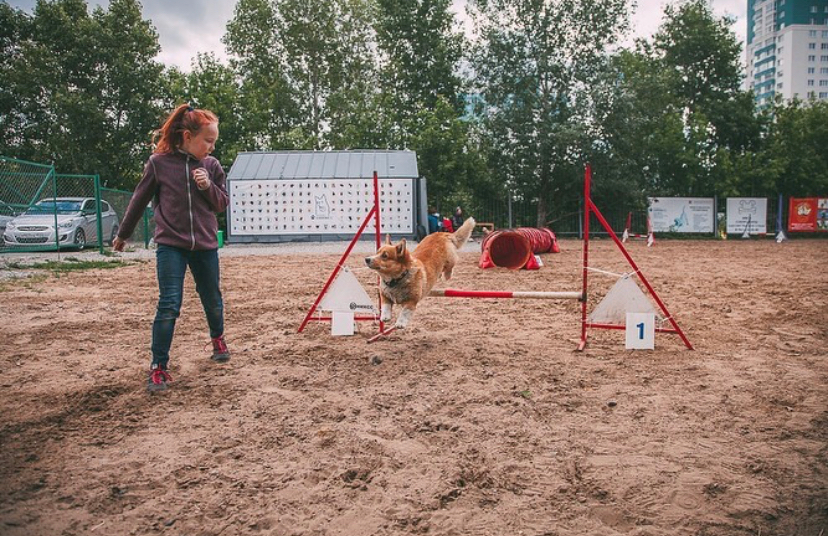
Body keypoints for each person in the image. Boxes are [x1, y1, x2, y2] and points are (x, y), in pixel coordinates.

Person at [113, 103, 230, 392]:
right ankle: (159, 366)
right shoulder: (158, 163)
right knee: (169, 303)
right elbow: (139, 200)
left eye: (214, 142)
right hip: (170, 245)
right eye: (208, 141)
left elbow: (221, 204)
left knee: (212, 297)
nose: (211, 148)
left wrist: (206, 186)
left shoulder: (212, 166)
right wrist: (123, 235)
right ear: (188, 136)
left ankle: (218, 338)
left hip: (204, 245)